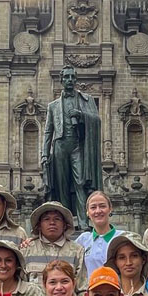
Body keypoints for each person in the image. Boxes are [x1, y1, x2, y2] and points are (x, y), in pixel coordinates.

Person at [42, 65, 103, 227]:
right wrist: (44, 154)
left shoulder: (86, 100)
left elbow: (97, 120)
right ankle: (65, 222)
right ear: (61, 80)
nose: (69, 80)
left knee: (81, 183)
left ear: (75, 80)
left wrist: (81, 116)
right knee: (61, 186)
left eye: (72, 77)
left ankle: (83, 223)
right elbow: (48, 132)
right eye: (66, 77)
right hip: (60, 145)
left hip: (78, 145)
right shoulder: (53, 106)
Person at [21, 200, 87, 290]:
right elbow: (19, 286)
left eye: (57, 219)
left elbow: (82, 289)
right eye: (46, 219)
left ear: (64, 225)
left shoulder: (77, 251)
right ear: (39, 225)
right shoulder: (26, 250)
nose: (52, 222)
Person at [75, 190, 124, 277]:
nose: (98, 211)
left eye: (102, 206)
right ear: (87, 212)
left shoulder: (123, 237)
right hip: (91, 289)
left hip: (118, 289)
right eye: (93, 207)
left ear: (110, 209)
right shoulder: (82, 240)